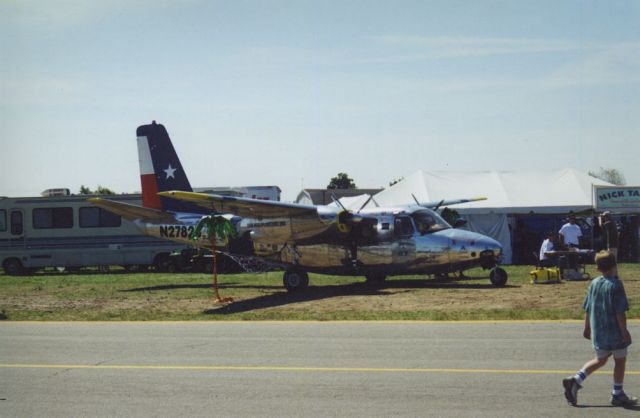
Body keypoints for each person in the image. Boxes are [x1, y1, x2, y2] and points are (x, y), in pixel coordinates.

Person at [562, 251, 637, 407]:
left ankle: (576, 380)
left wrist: (587, 327)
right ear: (614, 266)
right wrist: (624, 331)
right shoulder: (616, 285)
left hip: (599, 331)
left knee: (601, 359)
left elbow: (588, 308)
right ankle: (617, 393)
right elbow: (620, 312)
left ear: (597, 268)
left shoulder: (594, 283)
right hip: (614, 332)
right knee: (620, 360)